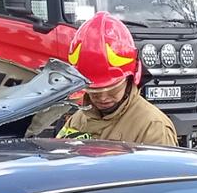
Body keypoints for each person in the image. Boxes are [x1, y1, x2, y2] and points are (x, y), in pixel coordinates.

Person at [57, 12, 177, 146]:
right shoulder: (77, 121)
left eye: (112, 89)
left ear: (130, 78)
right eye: (94, 91)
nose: (102, 97)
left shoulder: (153, 128)